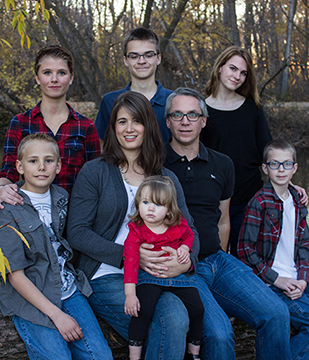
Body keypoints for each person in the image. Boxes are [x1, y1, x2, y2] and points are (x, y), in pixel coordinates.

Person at [161, 87, 293, 360]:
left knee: (277, 313)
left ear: (203, 121)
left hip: (218, 261)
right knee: (219, 334)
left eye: (192, 115)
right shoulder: (155, 164)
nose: (185, 122)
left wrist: (216, 262)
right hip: (182, 268)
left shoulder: (222, 164)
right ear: (168, 121)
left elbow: (223, 221)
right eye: (178, 115)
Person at [67, 91, 200, 360]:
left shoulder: (165, 178)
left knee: (177, 315)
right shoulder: (95, 172)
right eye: (122, 121)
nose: (129, 129)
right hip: (106, 274)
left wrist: (186, 261)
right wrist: (131, 256)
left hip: (157, 276)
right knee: (167, 322)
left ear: (148, 126)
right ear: (113, 127)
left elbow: (191, 231)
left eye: (136, 121)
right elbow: (77, 232)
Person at [0, 133, 112, 360]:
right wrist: (57, 315)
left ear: (58, 166)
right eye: (33, 161)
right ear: (19, 166)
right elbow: (15, 276)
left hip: (68, 289)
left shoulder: (61, 197)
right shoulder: (7, 211)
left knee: (100, 356)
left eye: (48, 160)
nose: (41, 167)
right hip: (31, 296)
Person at [238, 139, 309, 360]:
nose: (281, 169)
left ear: (295, 168)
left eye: (287, 164)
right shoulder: (259, 202)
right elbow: (244, 249)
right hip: (271, 283)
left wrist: (304, 279)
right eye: (275, 164)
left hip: (295, 277)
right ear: (265, 168)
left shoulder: (298, 200)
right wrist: (276, 279)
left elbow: (305, 243)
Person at [201, 46, 307, 257]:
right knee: (213, 258)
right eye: (233, 69)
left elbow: (269, 150)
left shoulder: (252, 109)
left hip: (248, 199)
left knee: (246, 260)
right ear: (220, 68)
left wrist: (288, 183)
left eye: (243, 73)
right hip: (213, 201)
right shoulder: (200, 110)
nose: (237, 76)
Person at [0, 45, 100, 209]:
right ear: (37, 78)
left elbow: (95, 178)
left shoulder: (85, 126)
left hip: (75, 216)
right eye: (47, 72)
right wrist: (1, 189)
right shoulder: (21, 123)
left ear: (71, 78)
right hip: (31, 214)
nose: (54, 79)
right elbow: (9, 170)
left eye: (62, 73)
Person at [124, 175, 204, 360]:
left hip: (179, 277)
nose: (150, 209)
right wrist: (130, 294)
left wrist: (185, 248)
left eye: (158, 204)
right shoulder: (136, 230)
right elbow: (130, 262)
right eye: (145, 202)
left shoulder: (177, 224)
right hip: (150, 277)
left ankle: (194, 353)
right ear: (137, 204)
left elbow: (189, 235)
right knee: (142, 311)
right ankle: (134, 356)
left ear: (169, 210)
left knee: (198, 309)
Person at [95, 27, 173, 145]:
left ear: (158, 58)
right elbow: (103, 147)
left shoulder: (174, 100)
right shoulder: (110, 101)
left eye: (148, 55)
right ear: (126, 60)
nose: (141, 61)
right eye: (134, 56)